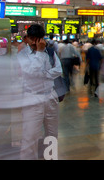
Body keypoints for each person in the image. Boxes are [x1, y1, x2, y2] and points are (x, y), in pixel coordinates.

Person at [16, 24, 63, 160]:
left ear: (42, 39)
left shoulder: (50, 52)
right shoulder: (23, 54)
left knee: (52, 134)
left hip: (50, 96)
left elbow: (58, 70)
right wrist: (39, 53)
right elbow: (30, 73)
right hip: (31, 97)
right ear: (27, 38)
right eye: (32, 39)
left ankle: (51, 157)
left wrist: (41, 73)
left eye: (38, 39)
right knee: (30, 136)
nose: (34, 43)